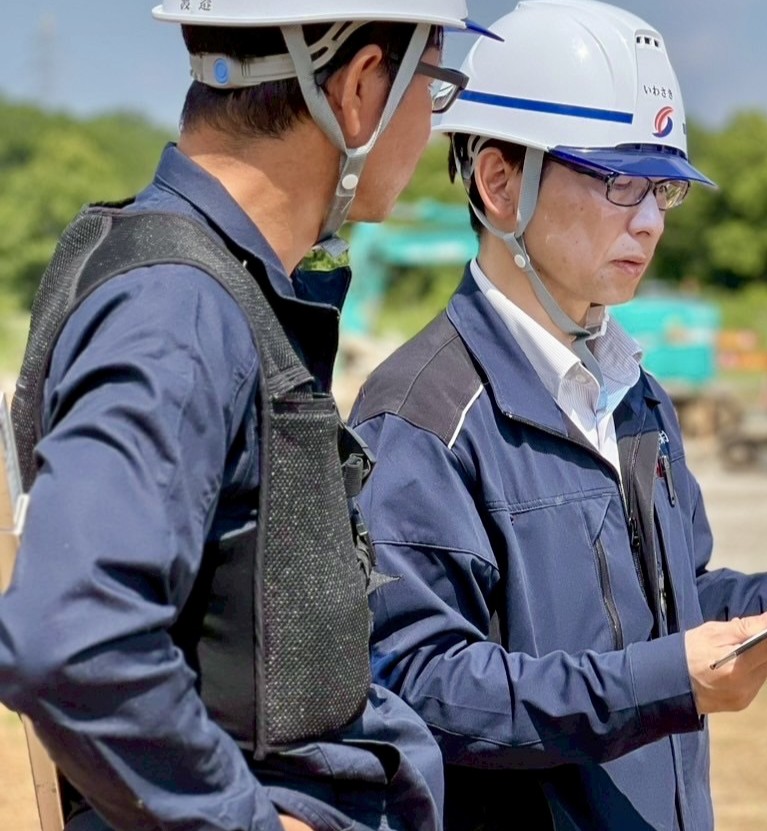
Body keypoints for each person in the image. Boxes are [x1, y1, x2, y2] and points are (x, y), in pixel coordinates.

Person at [348, 2, 767, 829]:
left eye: (662, 188)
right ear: (498, 182)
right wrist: (663, 681)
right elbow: (420, 682)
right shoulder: (423, 418)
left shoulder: (634, 393)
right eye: (619, 181)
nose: (652, 220)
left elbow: (681, 604)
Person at [0, 2, 494, 829]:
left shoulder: (199, 283)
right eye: (434, 84)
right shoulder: (176, 309)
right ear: (364, 89)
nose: (432, 123)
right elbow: (70, 639)